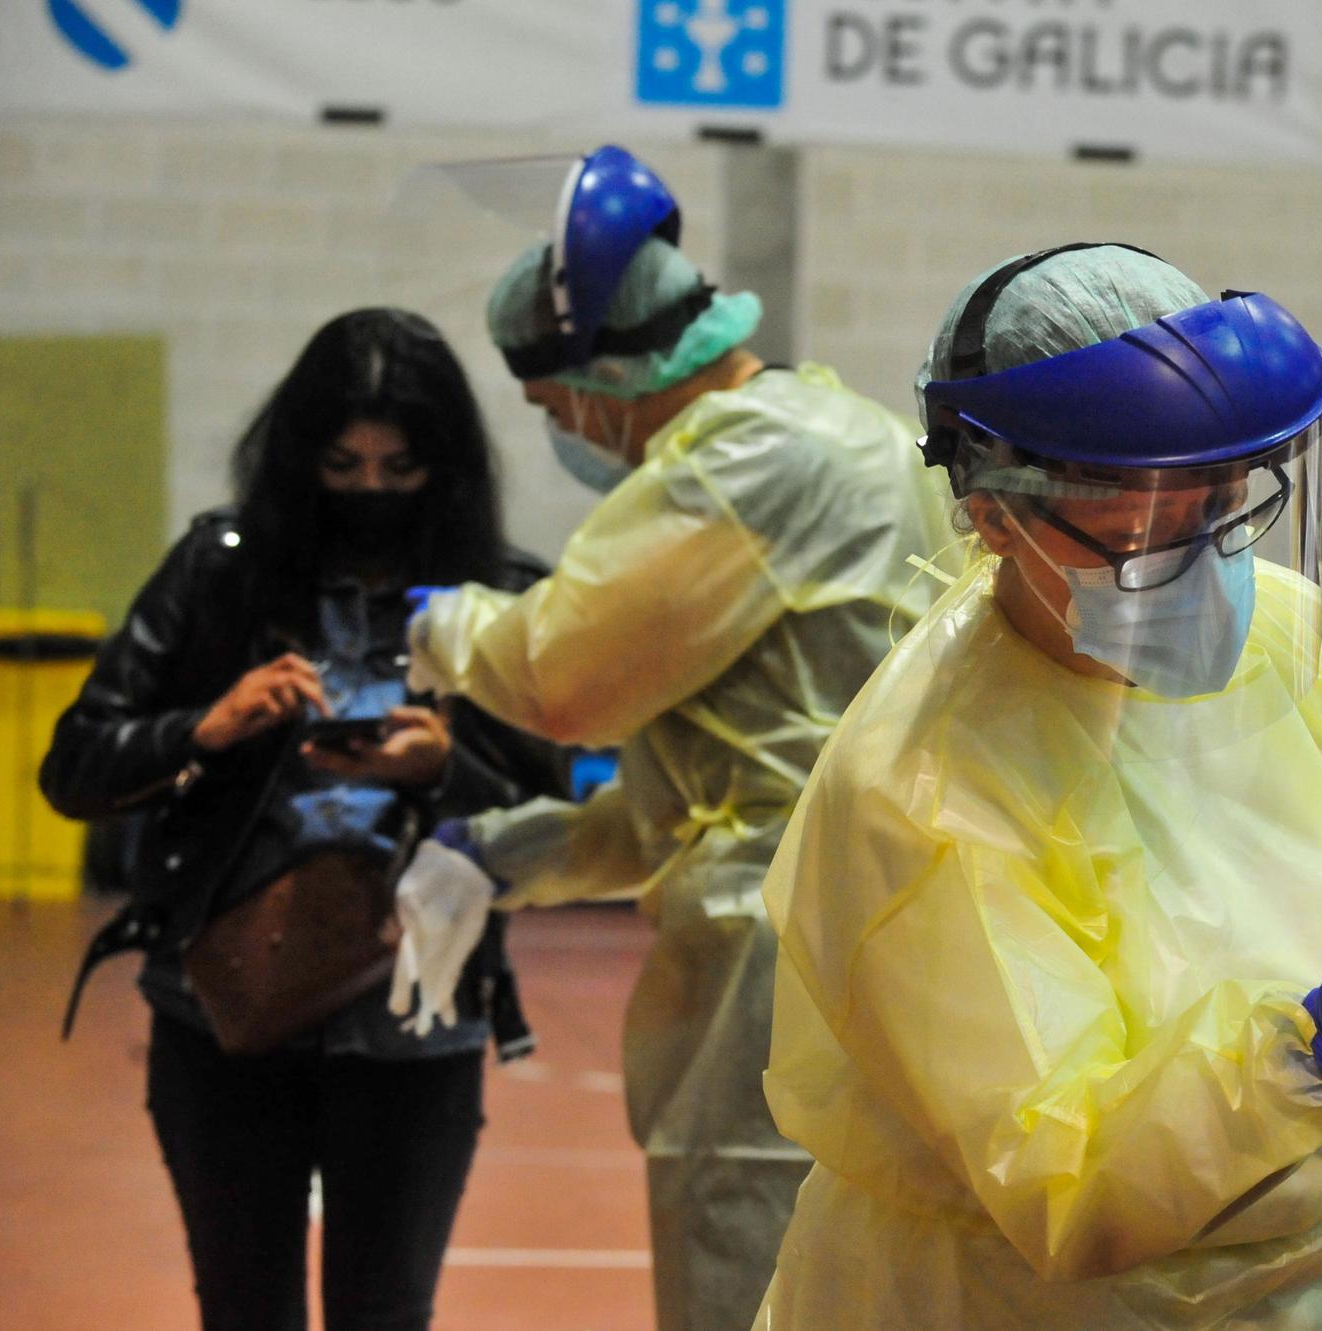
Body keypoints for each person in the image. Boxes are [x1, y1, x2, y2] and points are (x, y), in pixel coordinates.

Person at [751, 243, 1322, 1330]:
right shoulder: (922, 781)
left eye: (1224, 504)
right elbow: (1060, 1172)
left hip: (1321, 1287)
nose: (1208, 562)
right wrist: (1307, 1048)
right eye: (1146, 528)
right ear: (997, 517)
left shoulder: (1293, 641)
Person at [401, 146, 955, 1330]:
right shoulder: (836, 428)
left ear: (604, 368)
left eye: (555, 406)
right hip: (875, 926)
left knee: (742, 1264)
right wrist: (505, 851)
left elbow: (556, 674)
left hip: (782, 960)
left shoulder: (750, 457)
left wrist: (441, 624)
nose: (566, 432)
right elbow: (694, 790)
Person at [40, 308, 564, 1331]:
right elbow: (74, 762)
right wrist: (207, 724)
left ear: (443, 465)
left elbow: (569, 817)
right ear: (296, 455)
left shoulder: (504, 594)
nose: (369, 488)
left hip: (417, 1020)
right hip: (221, 1013)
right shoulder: (219, 569)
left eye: (399, 467)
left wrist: (447, 765)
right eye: (342, 462)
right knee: (244, 1309)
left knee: (384, 1310)